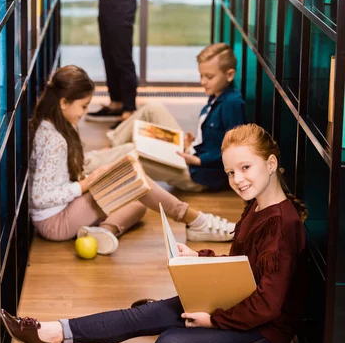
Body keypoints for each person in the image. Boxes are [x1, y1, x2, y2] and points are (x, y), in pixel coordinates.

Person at [2, 123, 308, 343]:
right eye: (230, 172)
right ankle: (46, 331)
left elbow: (269, 304)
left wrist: (213, 320)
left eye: (245, 167)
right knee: (142, 316)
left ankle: (179, 323)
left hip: (264, 331)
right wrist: (198, 257)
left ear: (270, 164)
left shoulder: (283, 224)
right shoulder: (255, 206)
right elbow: (244, 264)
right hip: (233, 303)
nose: (237, 179)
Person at [28, 65, 235, 256]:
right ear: (63, 103)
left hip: (66, 207)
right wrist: (85, 184)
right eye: (84, 106)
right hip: (55, 222)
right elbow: (38, 198)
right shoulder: (53, 140)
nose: (84, 113)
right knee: (133, 181)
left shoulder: (58, 123)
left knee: (138, 203)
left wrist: (87, 182)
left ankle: (103, 231)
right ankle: (196, 221)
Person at [103, 43, 245, 240]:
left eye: (209, 77)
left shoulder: (232, 104)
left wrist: (199, 160)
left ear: (229, 75)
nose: (202, 81)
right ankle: (111, 147)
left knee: (133, 159)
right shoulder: (217, 95)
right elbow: (215, 137)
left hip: (197, 173)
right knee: (153, 108)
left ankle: (103, 164)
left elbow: (235, 150)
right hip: (191, 154)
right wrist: (194, 142)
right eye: (201, 75)